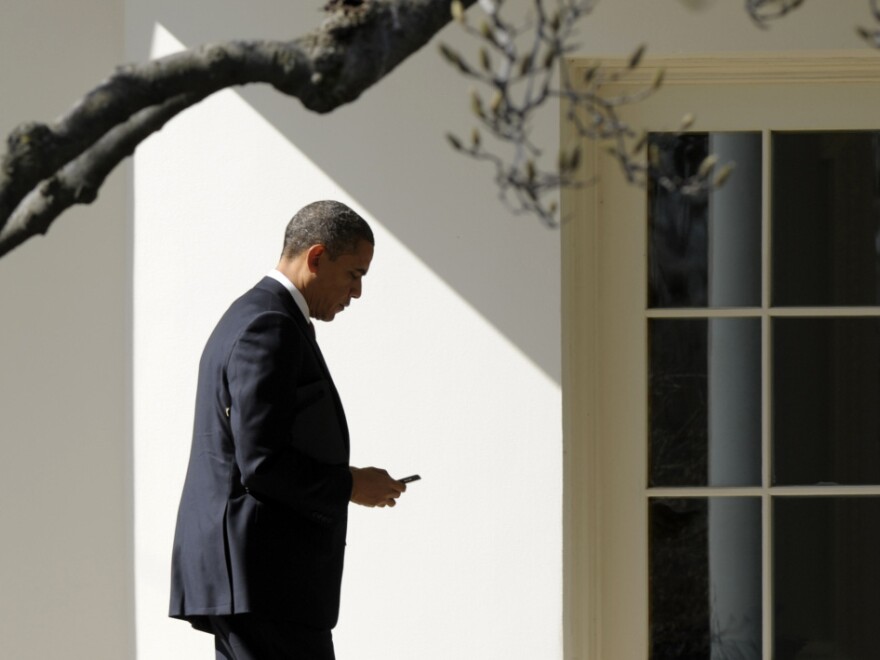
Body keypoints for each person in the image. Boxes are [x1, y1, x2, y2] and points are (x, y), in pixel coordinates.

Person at [169, 200, 407, 659]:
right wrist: (350, 484)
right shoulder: (270, 326)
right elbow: (262, 462)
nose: (356, 293)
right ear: (317, 258)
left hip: (254, 583)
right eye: (354, 274)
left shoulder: (256, 315)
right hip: (265, 583)